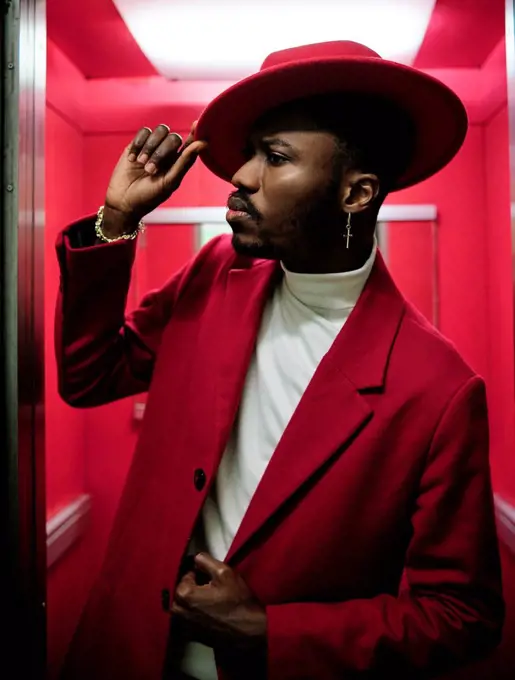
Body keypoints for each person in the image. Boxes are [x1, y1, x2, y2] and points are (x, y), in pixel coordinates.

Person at [56, 41, 504, 680]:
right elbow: (89, 375)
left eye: (276, 156)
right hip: (127, 654)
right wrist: (116, 219)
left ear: (357, 193)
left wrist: (272, 631)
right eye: (250, 152)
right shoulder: (216, 272)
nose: (240, 175)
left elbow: (462, 614)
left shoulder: (437, 389)